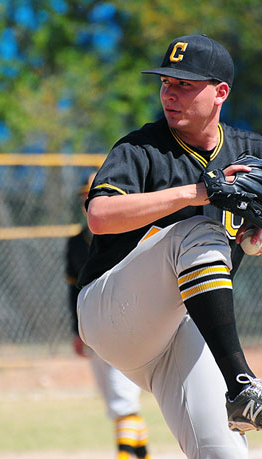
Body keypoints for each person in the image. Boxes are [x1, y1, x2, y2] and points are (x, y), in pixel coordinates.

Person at [76, 34, 262, 459]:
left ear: (220, 92)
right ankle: (242, 386)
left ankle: (238, 399)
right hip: (112, 309)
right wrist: (194, 194)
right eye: (165, 82)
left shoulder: (251, 150)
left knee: (224, 453)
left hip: (180, 333)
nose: (169, 93)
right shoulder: (141, 147)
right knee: (200, 232)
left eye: (184, 85)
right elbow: (99, 215)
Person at [65, 174, 150, 459]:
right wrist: (76, 330)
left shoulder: (127, 234)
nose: (87, 203)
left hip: (123, 324)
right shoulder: (77, 242)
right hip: (92, 324)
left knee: (122, 399)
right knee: (118, 404)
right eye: (84, 198)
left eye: (93, 197)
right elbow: (72, 288)